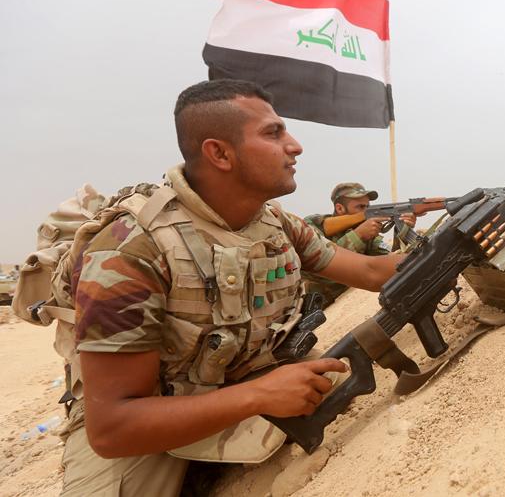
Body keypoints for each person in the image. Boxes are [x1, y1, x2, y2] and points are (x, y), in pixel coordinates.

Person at [59, 79, 402, 496]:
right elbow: (112, 428)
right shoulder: (131, 249)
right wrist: (257, 396)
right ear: (219, 153)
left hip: (243, 379)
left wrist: (460, 239)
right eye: (273, 133)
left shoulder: (275, 223)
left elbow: (368, 271)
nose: (295, 146)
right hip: (144, 417)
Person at [302, 183, 416, 306]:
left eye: (367, 207)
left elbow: (391, 263)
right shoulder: (314, 226)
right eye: (360, 207)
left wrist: (403, 230)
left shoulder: (367, 231)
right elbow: (322, 269)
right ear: (340, 208)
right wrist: (358, 236)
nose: (365, 212)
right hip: (316, 308)